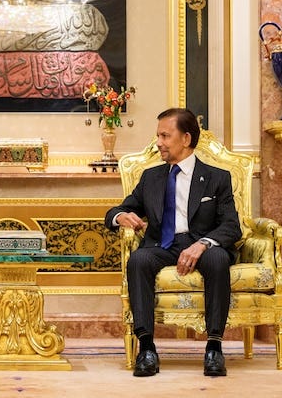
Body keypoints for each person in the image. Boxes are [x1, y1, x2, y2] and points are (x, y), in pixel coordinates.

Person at [105, 107, 241, 377]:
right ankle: (146, 348)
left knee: (218, 258)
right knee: (139, 260)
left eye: (165, 136)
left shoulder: (217, 178)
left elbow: (231, 226)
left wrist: (203, 243)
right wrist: (121, 217)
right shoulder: (151, 177)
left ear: (186, 139)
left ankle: (214, 347)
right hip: (163, 245)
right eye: (158, 136)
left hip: (200, 244)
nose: (158, 143)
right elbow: (117, 210)